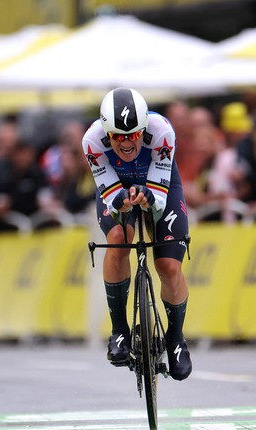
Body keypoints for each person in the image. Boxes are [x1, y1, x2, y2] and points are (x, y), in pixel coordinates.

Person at [82, 87, 192, 381]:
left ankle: (176, 338)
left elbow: (158, 196)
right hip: (117, 185)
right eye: (119, 136)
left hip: (160, 186)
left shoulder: (162, 132)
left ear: (144, 129)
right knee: (118, 239)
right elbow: (109, 194)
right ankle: (119, 331)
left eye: (134, 135)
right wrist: (122, 199)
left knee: (168, 266)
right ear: (106, 133)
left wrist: (146, 195)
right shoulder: (91, 141)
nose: (128, 143)